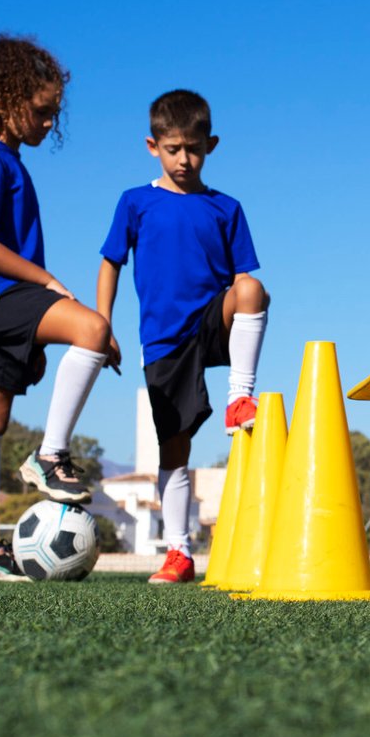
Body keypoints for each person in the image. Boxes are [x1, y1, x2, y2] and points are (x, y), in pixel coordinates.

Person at [0, 35, 116, 582]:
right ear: (4, 100)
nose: (49, 123)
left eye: (54, 114)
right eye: (42, 111)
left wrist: (38, 333)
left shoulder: (11, 162)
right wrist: (49, 286)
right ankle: (50, 455)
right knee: (93, 327)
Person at [96, 89, 268, 585]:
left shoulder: (226, 208)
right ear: (153, 146)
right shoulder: (135, 202)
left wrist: (236, 308)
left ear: (211, 145)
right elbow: (110, 263)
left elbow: (242, 279)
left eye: (193, 149)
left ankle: (240, 397)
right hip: (164, 340)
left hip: (212, 322)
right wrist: (103, 324)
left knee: (252, 290)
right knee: (174, 448)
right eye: (173, 149)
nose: (184, 159)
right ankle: (179, 553)